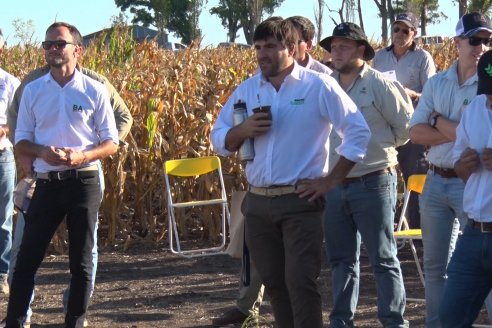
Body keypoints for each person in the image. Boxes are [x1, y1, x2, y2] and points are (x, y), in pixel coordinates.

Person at [211, 17, 370, 328]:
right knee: (274, 284)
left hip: (300, 200)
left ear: (291, 48)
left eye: (270, 46)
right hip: (257, 203)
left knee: (300, 281)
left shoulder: (317, 85)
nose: (262, 53)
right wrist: (242, 129)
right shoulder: (247, 89)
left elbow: (357, 132)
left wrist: (330, 181)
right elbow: (218, 139)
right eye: (257, 47)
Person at [2, 30, 132, 328]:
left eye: (60, 44)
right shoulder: (32, 89)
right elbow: (20, 138)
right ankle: (16, 321)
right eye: (48, 44)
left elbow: (112, 140)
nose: (52, 49)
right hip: (45, 182)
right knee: (25, 259)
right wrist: (39, 153)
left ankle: (75, 321)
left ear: (78, 50)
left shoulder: (95, 88)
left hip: (84, 181)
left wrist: (83, 156)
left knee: (82, 261)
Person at [319, 22, 412, 328]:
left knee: (383, 258)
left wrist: (377, 151)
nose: (336, 52)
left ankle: (393, 322)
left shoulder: (380, 85)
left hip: (373, 181)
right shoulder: (325, 85)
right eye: (333, 47)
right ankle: (341, 322)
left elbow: (404, 131)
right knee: (341, 260)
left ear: (361, 51)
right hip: (334, 184)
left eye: (343, 46)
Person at [409, 12, 492, 327]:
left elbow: (461, 135)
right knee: (434, 267)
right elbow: (413, 133)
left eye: (486, 40)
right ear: (457, 42)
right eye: (474, 39)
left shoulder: (486, 83)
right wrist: (451, 128)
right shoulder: (437, 82)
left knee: (475, 272)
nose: (481, 47)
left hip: (468, 185)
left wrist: (436, 119)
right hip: (436, 179)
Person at [438, 47, 492, 327]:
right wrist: (464, 166)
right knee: (450, 317)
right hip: (473, 234)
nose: (491, 99)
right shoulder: (474, 111)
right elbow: (458, 166)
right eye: (488, 90)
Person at [373, 12, 436, 229]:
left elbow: (431, 95)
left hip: (412, 129)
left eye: (405, 30)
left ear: (414, 33)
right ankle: (386, 229)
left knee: (415, 181)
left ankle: (419, 233)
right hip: (384, 130)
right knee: (381, 180)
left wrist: (412, 94)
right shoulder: (379, 57)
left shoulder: (423, 58)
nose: (399, 34)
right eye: (396, 29)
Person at [0, 28, 20, 297]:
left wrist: (3, 129)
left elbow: (20, 122)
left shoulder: (10, 83)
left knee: (3, 219)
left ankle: (2, 274)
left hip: (2, 157)